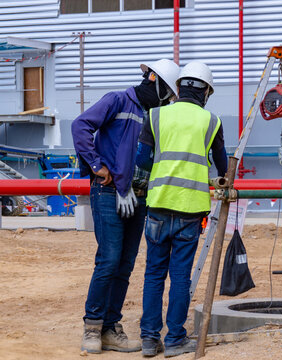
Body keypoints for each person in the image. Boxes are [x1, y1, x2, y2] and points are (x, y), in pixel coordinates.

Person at [71, 59, 180, 354]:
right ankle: (92, 327)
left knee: (125, 265)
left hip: (139, 197)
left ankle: (110, 327)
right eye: (168, 92)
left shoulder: (155, 115)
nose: (169, 99)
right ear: (152, 79)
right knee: (108, 260)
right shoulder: (117, 100)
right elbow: (80, 125)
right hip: (108, 193)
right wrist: (97, 166)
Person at [136, 61, 227, 358]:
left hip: (159, 205)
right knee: (180, 277)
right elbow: (223, 166)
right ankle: (175, 340)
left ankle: (149, 340)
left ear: (179, 87)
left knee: (153, 274)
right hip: (191, 210)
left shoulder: (155, 116)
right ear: (207, 92)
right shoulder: (211, 121)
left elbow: (143, 161)